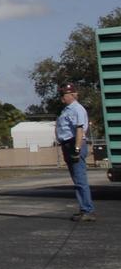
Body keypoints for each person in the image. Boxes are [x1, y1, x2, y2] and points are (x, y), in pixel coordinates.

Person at [56, 83, 95, 222]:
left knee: (80, 180)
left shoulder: (77, 109)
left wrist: (77, 149)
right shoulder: (67, 109)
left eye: (63, 94)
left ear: (72, 95)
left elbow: (79, 129)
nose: (61, 97)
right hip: (68, 144)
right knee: (77, 180)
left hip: (74, 144)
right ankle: (84, 208)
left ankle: (87, 210)